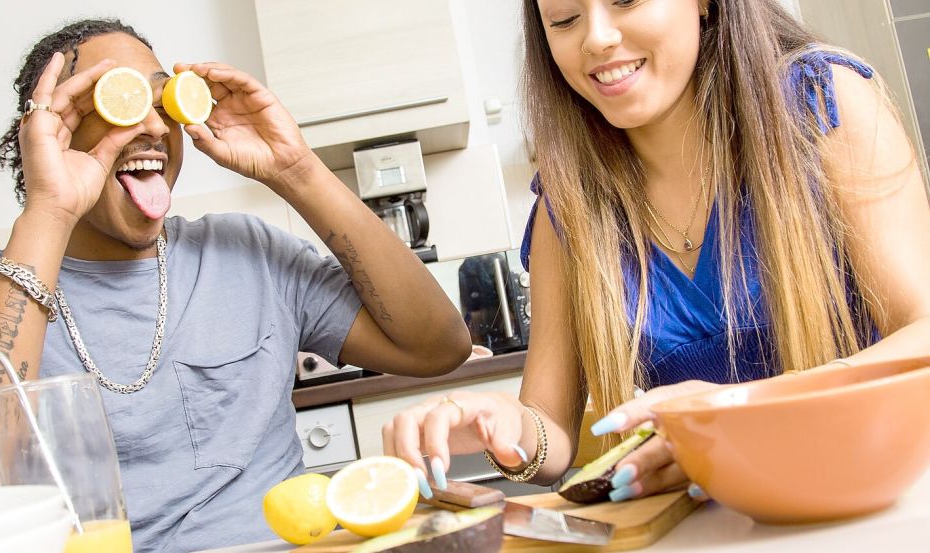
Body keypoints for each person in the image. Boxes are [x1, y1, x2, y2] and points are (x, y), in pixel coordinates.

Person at [0, 19, 472, 552]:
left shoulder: (249, 253)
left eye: (163, 102)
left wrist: (296, 169)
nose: (152, 126)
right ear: (50, 132)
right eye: (116, 103)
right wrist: (50, 210)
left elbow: (438, 347)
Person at [384, 0, 930, 506]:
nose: (596, 39)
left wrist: (742, 406)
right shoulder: (568, 203)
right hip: (716, 524)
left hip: (878, 499)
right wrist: (501, 422)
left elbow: (923, 329)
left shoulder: (821, 103)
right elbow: (551, 432)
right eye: (564, 19)